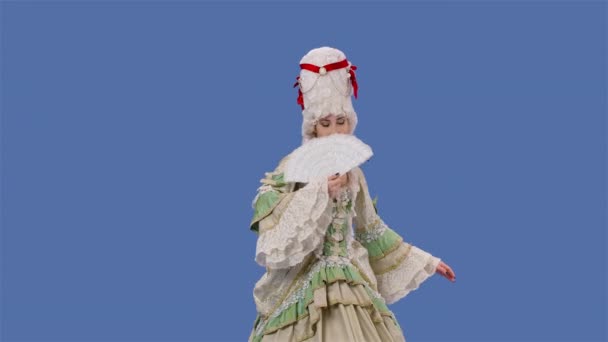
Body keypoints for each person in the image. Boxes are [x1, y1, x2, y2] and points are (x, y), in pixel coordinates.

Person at [248, 47, 456, 342]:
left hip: (351, 278)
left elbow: (372, 229)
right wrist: (320, 190)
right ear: (313, 127)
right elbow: (267, 205)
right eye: (325, 123)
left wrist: (427, 261)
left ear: (350, 120)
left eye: (340, 121)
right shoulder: (293, 165)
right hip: (308, 282)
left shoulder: (355, 174)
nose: (334, 131)